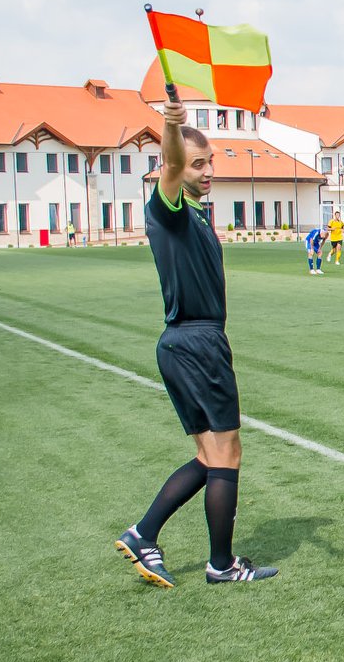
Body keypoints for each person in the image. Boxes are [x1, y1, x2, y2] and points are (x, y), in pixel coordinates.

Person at [114, 99, 278, 587]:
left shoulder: (197, 215)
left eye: (210, 163)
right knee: (227, 454)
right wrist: (171, 125)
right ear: (175, 167)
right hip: (198, 342)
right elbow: (168, 164)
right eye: (197, 164)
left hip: (185, 343)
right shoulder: (168, 211)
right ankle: (221, 565)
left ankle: (143, 534)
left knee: (210, 457)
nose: (207, 172)